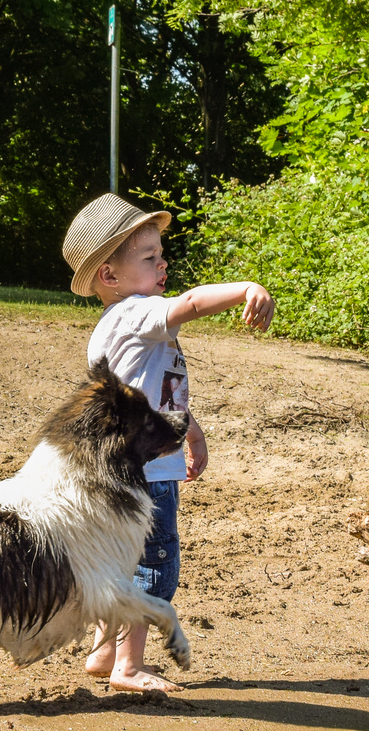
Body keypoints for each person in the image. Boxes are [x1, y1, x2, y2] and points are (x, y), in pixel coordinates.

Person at [61, 193, 275, 691]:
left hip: (115, 470)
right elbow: (193, 302)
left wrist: (191, 428)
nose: (163, 263)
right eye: (149, 257)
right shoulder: (138, 313)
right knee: (153, 563)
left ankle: (103, 653)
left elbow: (152, 395)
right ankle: (129, 667)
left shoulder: (114, 328)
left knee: (120, 560)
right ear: (110, 277)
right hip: (148, 473)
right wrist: (246, 289)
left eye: (161, 253)